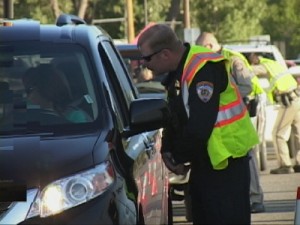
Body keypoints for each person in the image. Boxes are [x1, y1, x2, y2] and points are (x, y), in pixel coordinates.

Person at [137, 24, 259, 224]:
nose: (144, 64)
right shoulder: (181, 72)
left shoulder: (203, 68)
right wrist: (168, 148)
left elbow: (199, 127)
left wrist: (177, 157)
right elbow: (175, 115)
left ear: (165, 54)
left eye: (147, 58)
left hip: (226, 164)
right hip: (206, 163)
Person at [195, 32, 266, 213]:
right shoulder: (210, 61)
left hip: (238, 121)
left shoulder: (233, 60)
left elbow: (246, 87)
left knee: (247, 159)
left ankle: (255, 198)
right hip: (222, 123)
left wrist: (220, 96)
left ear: (209, 46)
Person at [247, 53, 300, 174]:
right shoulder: (275, 64)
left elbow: (251, 70)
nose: (252, 61)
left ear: (257, 57)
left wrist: (244, 66)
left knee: (277, 134)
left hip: (288, 101)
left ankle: (285, 165)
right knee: (297, 133)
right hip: (296, 98)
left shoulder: (264, 65)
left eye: (252, 58)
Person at [22, 64, 91, 123]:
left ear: (45, 89)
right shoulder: (25, 111)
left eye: (29, 90)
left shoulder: (76, 117)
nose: (26, 96)